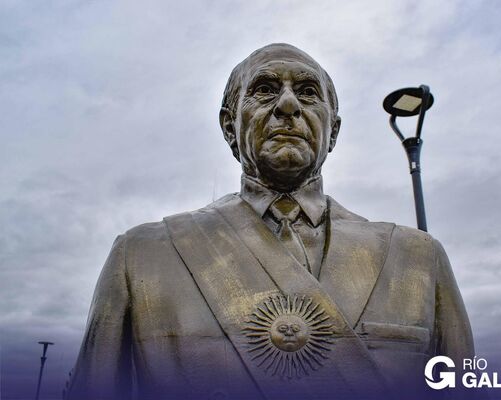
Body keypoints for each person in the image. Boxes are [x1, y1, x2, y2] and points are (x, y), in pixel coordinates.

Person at [67, 43, 473, 400]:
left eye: (308, 93)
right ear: (229, 126)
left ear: (334, 131)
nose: (288, 106)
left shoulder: (418, 260)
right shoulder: (142, 256)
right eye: (264, 89)